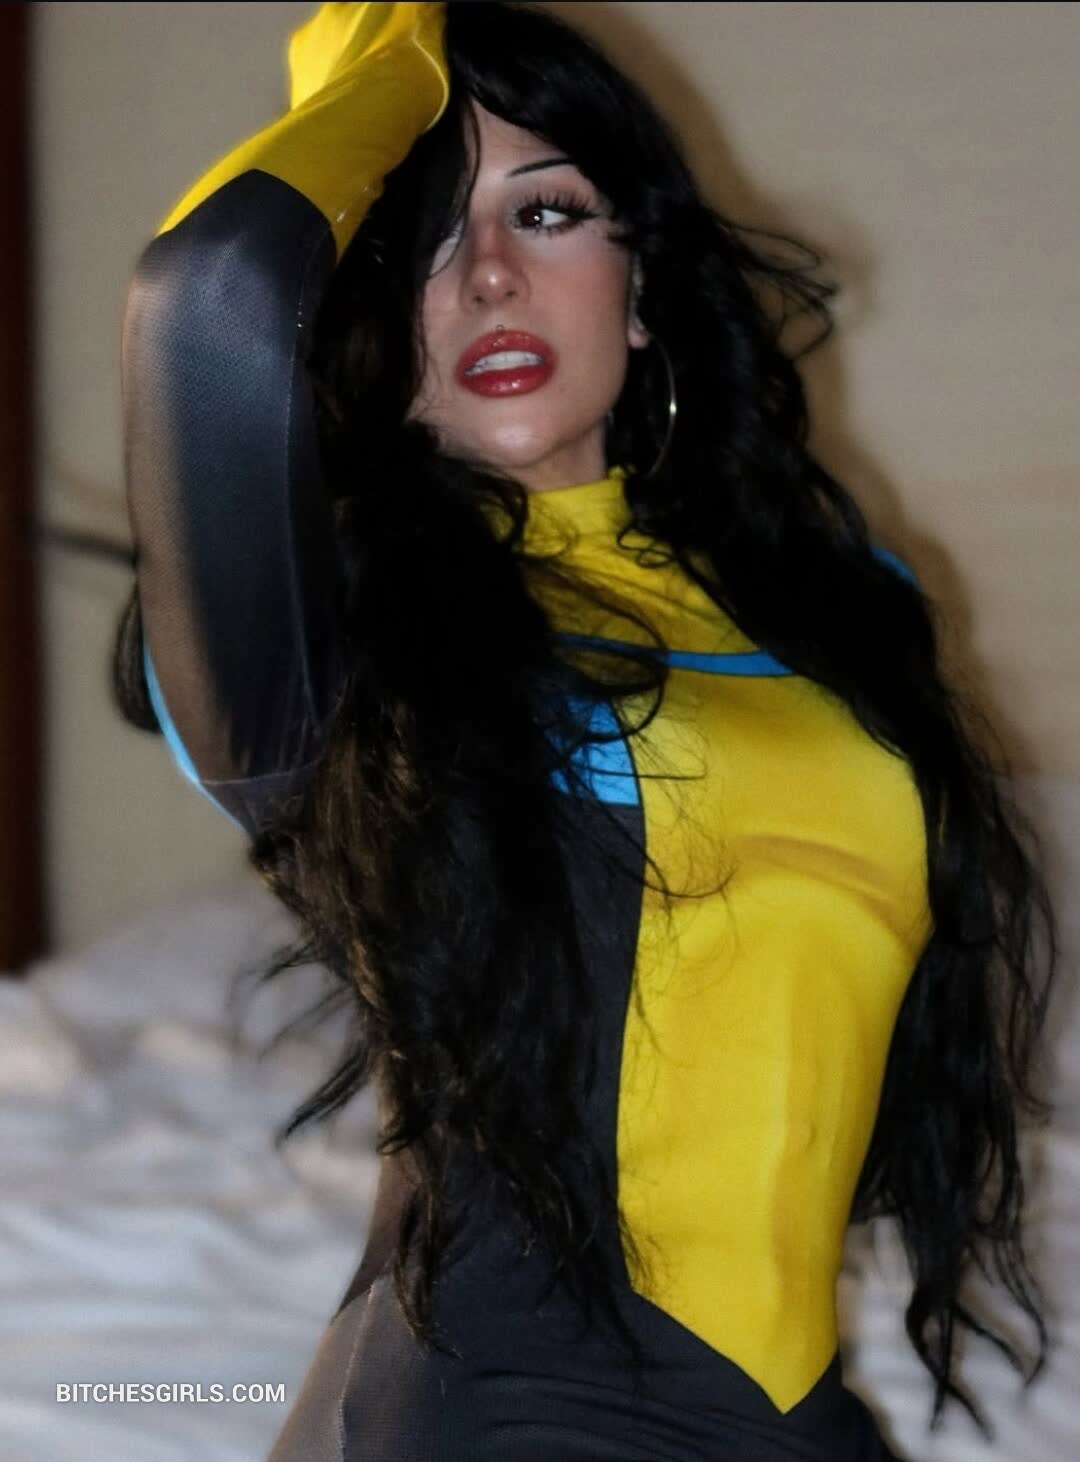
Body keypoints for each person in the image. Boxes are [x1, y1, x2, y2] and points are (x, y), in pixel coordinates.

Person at [112, 3, 1059, 1458]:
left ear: (641, 286)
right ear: (366, 309)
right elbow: (210, 291)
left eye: (545, 210)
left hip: (789, 1413)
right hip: (490, 1414)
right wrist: (396, 49)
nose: (488, 273)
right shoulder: (331, 652)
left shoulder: (838, 605)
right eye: (423, 237)